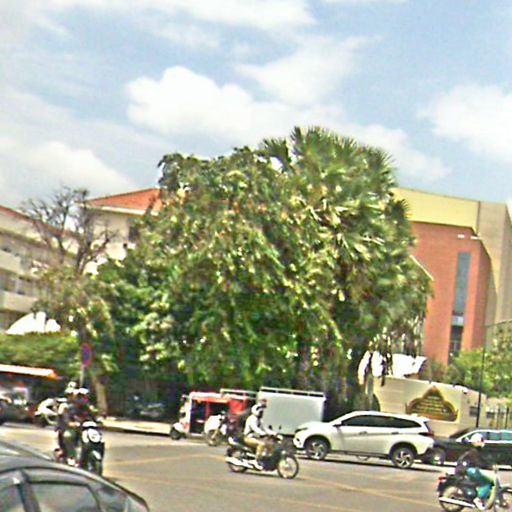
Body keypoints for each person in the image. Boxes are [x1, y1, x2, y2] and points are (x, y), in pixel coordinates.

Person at [456, 433, 496, 510]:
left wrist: (491, 465)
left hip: (469, 469)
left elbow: (484, 460)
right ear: (476, 441)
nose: (483, 442)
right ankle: (478, 499)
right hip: (465, 469)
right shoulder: (473, 451)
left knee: (485, 479)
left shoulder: (478, 450)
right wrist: (488, 467)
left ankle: (481, 496)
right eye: (481, 440)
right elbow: (478, 463)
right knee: (488, 481)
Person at [57, 385, 94, 466]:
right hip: (73, 429)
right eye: (80, 397)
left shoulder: (88, 409)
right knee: (68, 436)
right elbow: (66, 418)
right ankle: (71, 457)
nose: (83, 399)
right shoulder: (69, 408)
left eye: (85, 397)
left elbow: (93, 418)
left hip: (85, 430)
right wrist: (71, 423)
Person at [243, 401, 275, 469]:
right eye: (260, 411)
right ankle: (256, 461)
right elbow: (255, 429)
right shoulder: (252, 419)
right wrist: (263, 434)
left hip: (256, 438)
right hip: (248, 438)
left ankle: (267, 460)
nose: (262, 413)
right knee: (262, 444)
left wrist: (273, 433)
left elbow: (265, 428)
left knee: (270, 444)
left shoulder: (259, 420)